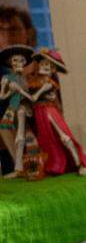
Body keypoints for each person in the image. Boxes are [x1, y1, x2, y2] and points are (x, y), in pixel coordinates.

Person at [26, 48, 86, 176]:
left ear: (53, 70)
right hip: (39, 112)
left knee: (63, 135)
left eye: (48, 65)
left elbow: (40, 96)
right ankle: (53, 164)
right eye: (43, 63)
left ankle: (79, 163)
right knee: (46, 138)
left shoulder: (49, 83)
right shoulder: (34, 82)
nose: (44, 67)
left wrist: (37, 96)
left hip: (48, 110)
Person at [0, 45, 34, 177]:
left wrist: (20, 90)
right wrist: (10, 91)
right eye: (15, 60)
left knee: (22, 135)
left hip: (23, 108)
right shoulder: (7, 78)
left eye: (21, 60)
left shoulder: (25, 79)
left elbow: (29, 97)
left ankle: (22, 167)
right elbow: (2, 96)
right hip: (12, 107)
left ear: (25, 63)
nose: (18, 63)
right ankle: (18, 165)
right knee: (5, 129)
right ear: (10, 63)